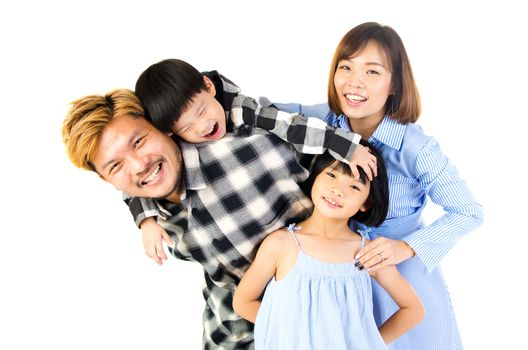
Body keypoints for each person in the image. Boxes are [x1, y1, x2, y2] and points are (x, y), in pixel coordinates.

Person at [61, 61, 374, 349]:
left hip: (317, 328)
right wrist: (144, 219)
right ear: (106, 179)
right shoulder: (148, 203)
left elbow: (340, 154)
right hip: (230, 334)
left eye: (139, 141)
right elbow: (130, 189)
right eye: (116, 166)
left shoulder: (251, 142)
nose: (139, 165)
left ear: (160, 126)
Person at [262, 22, 484, 349]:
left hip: (402, 282)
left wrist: (405, 247)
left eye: (372, 72)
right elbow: (259, 112)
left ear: (395, 83)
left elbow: (468, 212)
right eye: (346, 67)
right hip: (338, 281)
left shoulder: (416, 148)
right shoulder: (324, 122)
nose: (355, 82)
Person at [128, 59, 377, 266]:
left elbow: (291, 125)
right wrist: (146, 220)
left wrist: (345, 146)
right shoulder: (173, 151)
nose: (202, 126)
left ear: (209, 87)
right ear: (170, 133)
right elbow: (135, 174)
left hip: (299, 228)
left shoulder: (244, 110)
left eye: (202, 111)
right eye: (187, 126)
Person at [233, 144, 424, 349]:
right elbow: (243, 302)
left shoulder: (368, 253)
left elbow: (413, 309)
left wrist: (370, 342)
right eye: (332, 175)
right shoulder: (281, 244)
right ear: (315, 177)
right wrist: (289, 332)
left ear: (366, 203)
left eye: (354, 186)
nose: (337, 190)